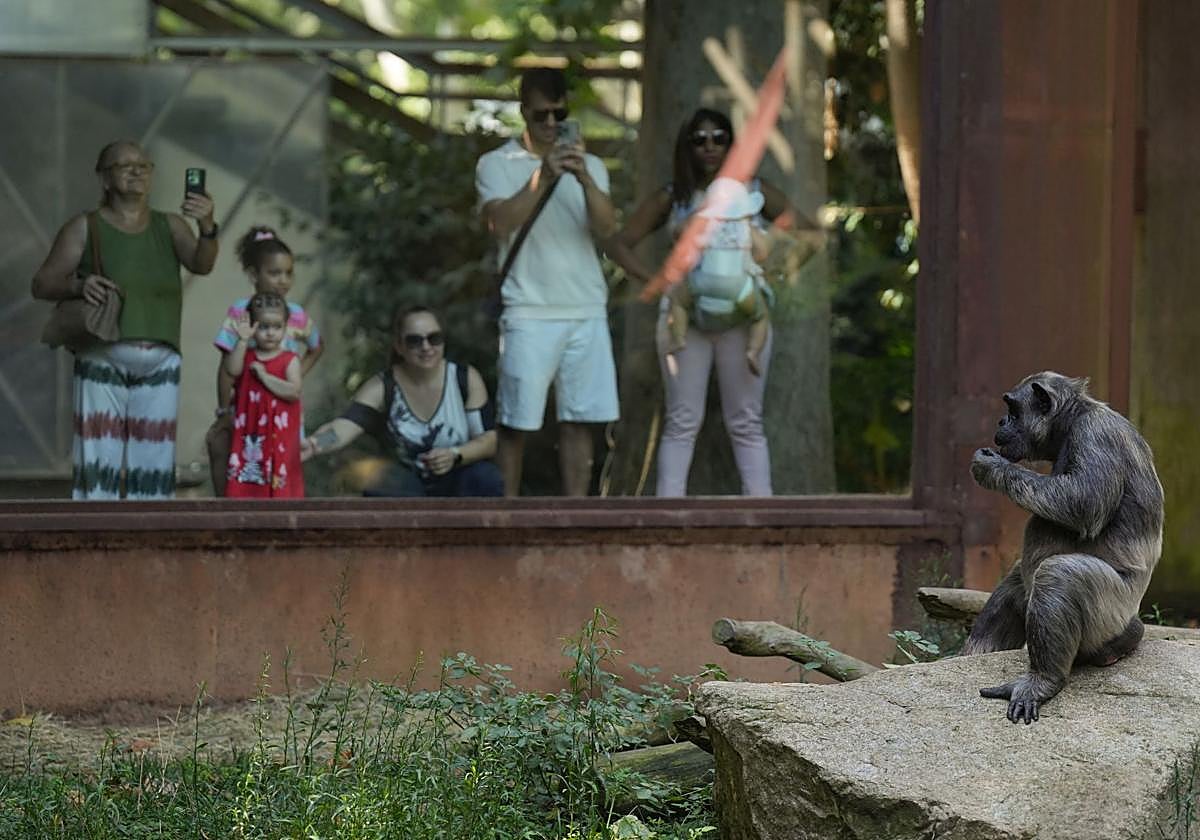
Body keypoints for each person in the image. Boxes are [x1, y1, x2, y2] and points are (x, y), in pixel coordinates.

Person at [608, 108, 817, 498]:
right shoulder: (675, 197)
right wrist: (658, 282)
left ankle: (762, 513)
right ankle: (669, 514)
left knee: (746, 421)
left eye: (719, 138)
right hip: (687, 316)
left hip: (743, 315)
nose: (709, 146)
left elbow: (811, 234)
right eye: (699, 139)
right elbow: (618, 243)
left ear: (731, 144)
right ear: (686, 147)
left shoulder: (754, 192)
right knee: (682, 420)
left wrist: (776, 272)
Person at [31, 140, 218, 499]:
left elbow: (202, 263)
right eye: (124, 166)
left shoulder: (171, 225)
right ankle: (92, 538)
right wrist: (80, 284)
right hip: (103, 351)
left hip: (161, 355)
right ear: (104, 178)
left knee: (154, 462)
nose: (136, 171)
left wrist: (207, 226)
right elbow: (42, 283)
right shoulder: (86, 226)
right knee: (97, 458)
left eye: (143, 166)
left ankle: (147, 540)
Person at [475, 67, 618, 496]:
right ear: (524, 113)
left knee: (580, 421)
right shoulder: (496, 164)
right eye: (542, 116)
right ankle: (505, 518)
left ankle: (577, 518)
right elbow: (498, 223)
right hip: (528, 308)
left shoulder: (590, 165)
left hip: (585, 307)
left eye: (560, 114)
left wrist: (585, 177)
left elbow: (607, 229)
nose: (552, 125)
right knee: (516, 422)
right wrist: (544, 177)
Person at [301, 305, 504, 498]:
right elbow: (345, 426)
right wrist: (315, 443)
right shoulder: (383, 386)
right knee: (378, 481)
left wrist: (455, 454)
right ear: (399, 346)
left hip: (458, 477)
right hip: (405, 482)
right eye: (415, 341)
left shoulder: (465, 378)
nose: (426, 347)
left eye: (434, 338)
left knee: (485, 477)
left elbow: (489, 440)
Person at [207, 225, 323, 495]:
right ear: (253, 274)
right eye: (274, 273)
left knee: (281, 465)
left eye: (288, 273)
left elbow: (317, 347)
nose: (283, 280)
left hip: (283, 409)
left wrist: (292, 376)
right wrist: (225, 410)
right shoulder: (241, 311)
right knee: (246, 462)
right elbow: (226, 368)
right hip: (248, 406)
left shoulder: (296, 314)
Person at [224, 292, 304, 498]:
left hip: (279, 435)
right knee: (249, 477)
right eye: (263, 327)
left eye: (277, 327)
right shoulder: (247, 356)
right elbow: (232, 371)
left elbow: (293, 391)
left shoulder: (290, 359)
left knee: (280, 480)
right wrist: (242, 341)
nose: (270, 333)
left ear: (285, 327)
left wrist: (264, 376)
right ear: (252, 326)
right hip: (252, 433)